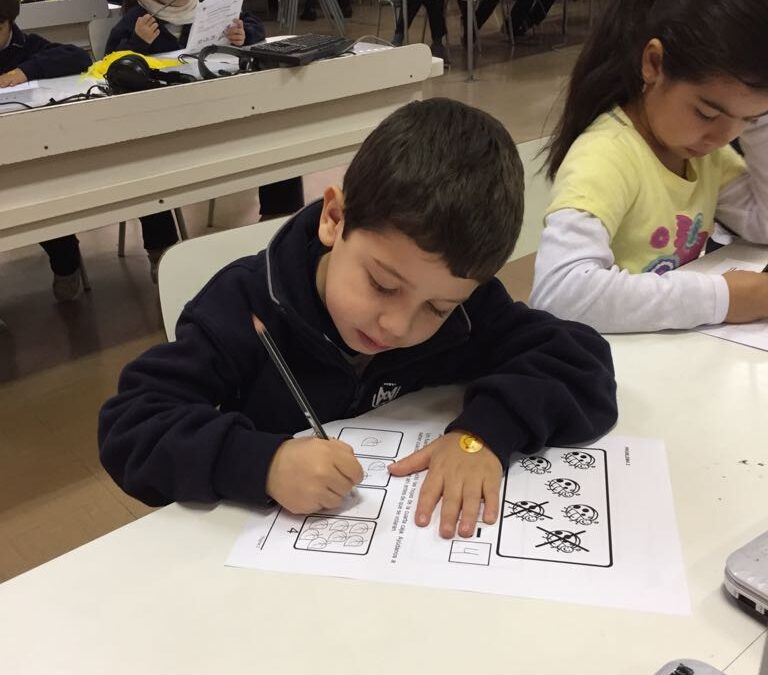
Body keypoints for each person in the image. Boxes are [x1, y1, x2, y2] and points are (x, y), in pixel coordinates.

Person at [98, 98, 618, 540]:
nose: (396, 325)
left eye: (436, 309)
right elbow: (131, 424)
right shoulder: (244, 303)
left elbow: (578, 358)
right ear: (334, 218)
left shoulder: (464, 308)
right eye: (382, 285)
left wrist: (482, 435)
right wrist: (263, 464)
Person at [530, 0, 768, 333]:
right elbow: (560, 292)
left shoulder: (702, 155)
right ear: (654, 63)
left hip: (665, 356)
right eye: (707, 114)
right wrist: (722, 297)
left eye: (747, 121)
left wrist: (758, 118)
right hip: (611, 365)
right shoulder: (606, 155)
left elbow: (763, 225)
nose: (722, 137)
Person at [107, 1, 304, 283]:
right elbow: (109, 66)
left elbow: (254, 28)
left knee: (274, 128)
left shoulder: (210, 7)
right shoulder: (137, 20)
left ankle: (279, 217)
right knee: (142, 159)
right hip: (163, 126)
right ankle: (160, 248)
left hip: (219, 113)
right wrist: (137, 44)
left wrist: (243, 34)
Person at [0, 0, 92, 301]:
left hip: (29, 155)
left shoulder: (28, 47)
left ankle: (66, 264)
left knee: (41, 196)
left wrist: (26, 71)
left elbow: (77, 57)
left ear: (10, 24)